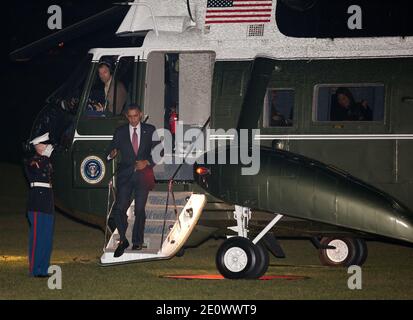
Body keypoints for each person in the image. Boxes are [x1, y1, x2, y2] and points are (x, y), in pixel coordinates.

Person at [107, 104, 158, 257]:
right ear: (126, 116)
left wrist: (147, 162)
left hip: (143, 176)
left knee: (140, 210)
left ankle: (137, 241)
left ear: (140, 115)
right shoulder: (120, 131)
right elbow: (109, 150)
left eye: (135, 116)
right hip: (125, 176)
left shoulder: (150, 130)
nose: (133, 119)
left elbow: (159, 150)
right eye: (129, 116)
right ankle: (123, 240)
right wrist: (111, 153)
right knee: (119, 209)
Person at [24, 132, 55, 277]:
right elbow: (36, 169)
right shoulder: (31, 161)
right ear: (38, 146)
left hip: (47, 202)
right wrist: (45, 157)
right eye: (45, 144)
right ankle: (34, 269)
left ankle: (43, 268)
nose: (49, 146)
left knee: (47, 237)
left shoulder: (46, 160)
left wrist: (46, 158)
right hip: (36, 203)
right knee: (37, 237)